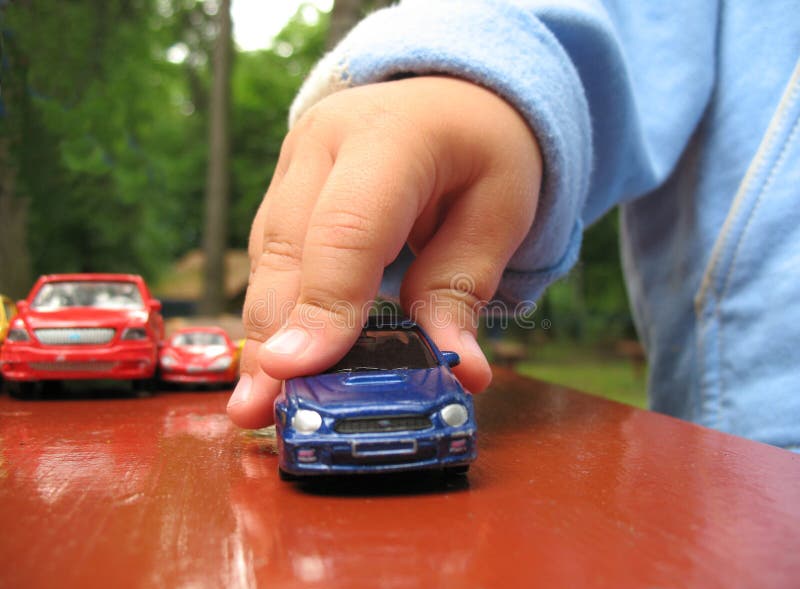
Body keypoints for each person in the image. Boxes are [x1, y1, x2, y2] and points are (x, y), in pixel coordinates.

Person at [227, 0, 800, 450]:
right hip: (746, 461)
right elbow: (619, 23)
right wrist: (478, 80)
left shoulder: (437, 383)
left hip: (738, 453)